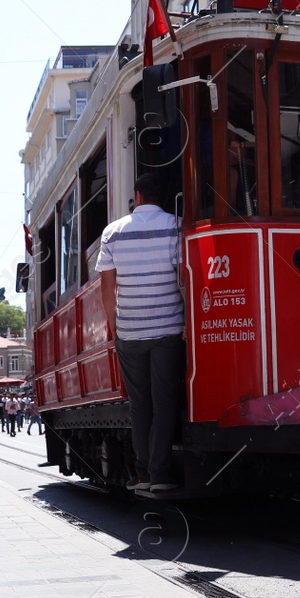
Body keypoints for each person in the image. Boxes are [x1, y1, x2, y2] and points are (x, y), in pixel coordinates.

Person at [97, 172, 185, 493]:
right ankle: (159, 476)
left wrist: (115, 328)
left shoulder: (113, 233)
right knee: (164, 403)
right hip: (168, 329)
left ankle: (144, 473)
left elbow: (108, 288)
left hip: (129, 332)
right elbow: (183, 278)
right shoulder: (176, 226)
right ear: (162, 197)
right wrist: (188, 322)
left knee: (139, 404)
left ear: (137, 196)